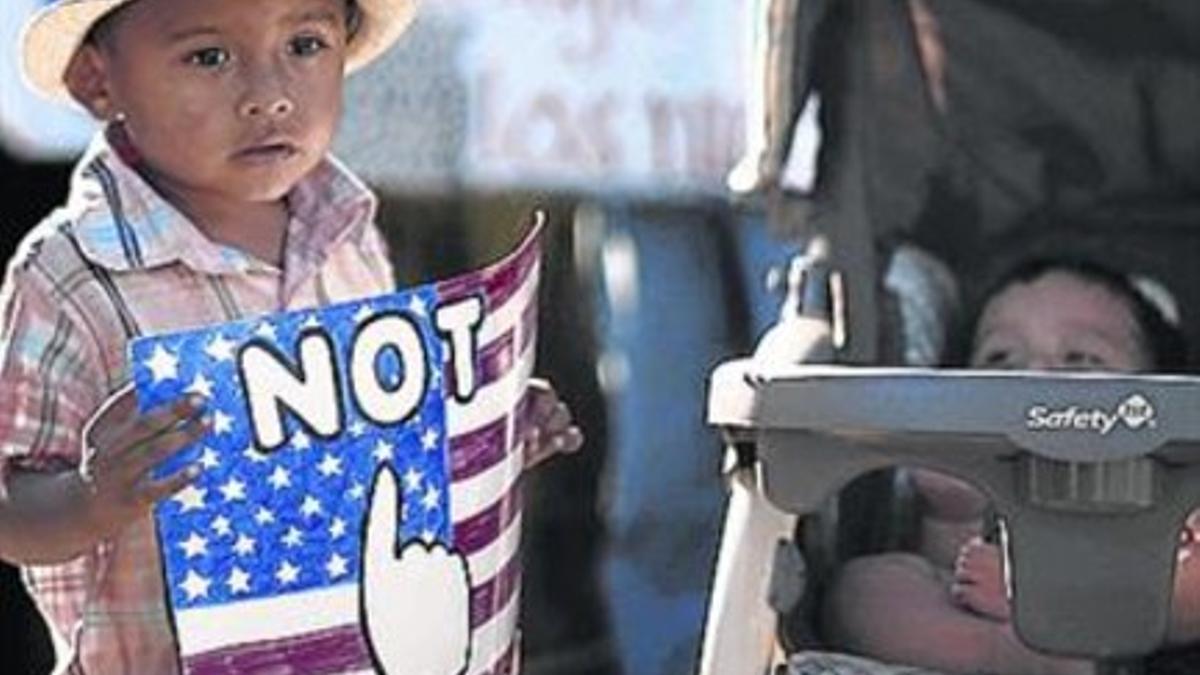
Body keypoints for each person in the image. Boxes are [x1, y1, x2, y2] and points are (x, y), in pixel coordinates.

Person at [0, 0, 583, 672]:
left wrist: (478, 433)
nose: (269, 97)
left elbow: (378, 466)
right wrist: (88, 498)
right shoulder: (73, 278)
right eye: (208, 56)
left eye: (304, 45)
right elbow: (11, 508)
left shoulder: (347, 239)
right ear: (97, 81)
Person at [821, 258, 1190, 675]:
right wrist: (954, 501)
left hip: (1135, 617)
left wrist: (1054, 596)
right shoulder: (975, 471)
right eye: (1001, 359)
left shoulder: (1163, 478)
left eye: (1080, 358)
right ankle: (1019, 656)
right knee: (864, 590)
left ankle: (1067, 641)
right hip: (980, 616)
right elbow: (946, 545)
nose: (1035, 374)